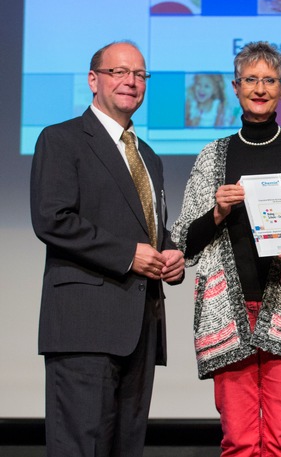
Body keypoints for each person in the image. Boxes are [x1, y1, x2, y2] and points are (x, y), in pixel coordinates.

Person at [171, 41, 281, 457]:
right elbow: (184, 242)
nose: (260, 88)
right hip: (226, 314)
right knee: (239, 441)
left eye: (269, 80)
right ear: (235, 87)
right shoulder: (213, 156)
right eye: (251, 79)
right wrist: (217, 211)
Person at [30, 41, 185, 457]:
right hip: (85, 326)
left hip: (141, 326)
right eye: (119, 72)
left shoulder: (147, 155)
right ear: (93, 80)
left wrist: (170, 253)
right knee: (79, 447)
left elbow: (150, 227)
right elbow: (52, 219)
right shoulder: (61, 139)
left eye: (139, 74)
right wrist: (128, 254)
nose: (131, 81)